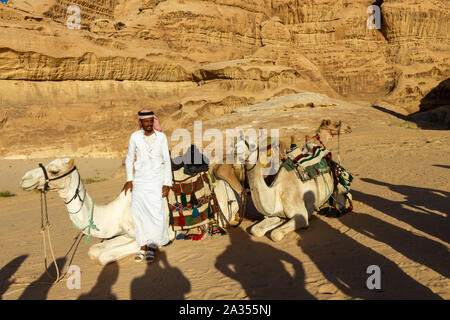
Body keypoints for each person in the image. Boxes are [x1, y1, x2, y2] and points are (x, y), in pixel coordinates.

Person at [122, 110, 172, 262]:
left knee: (155, 214)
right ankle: (142, 246)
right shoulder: (135, 137)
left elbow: (167, 160)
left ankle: (151, 246)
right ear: (141, 122)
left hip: (157, 180)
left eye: (151, 121)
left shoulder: (161, 137)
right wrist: (129, 179)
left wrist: (167, 183)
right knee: (137, 212)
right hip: (140, 180)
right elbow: (130, 158)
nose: (149, 124)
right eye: (146, 121)